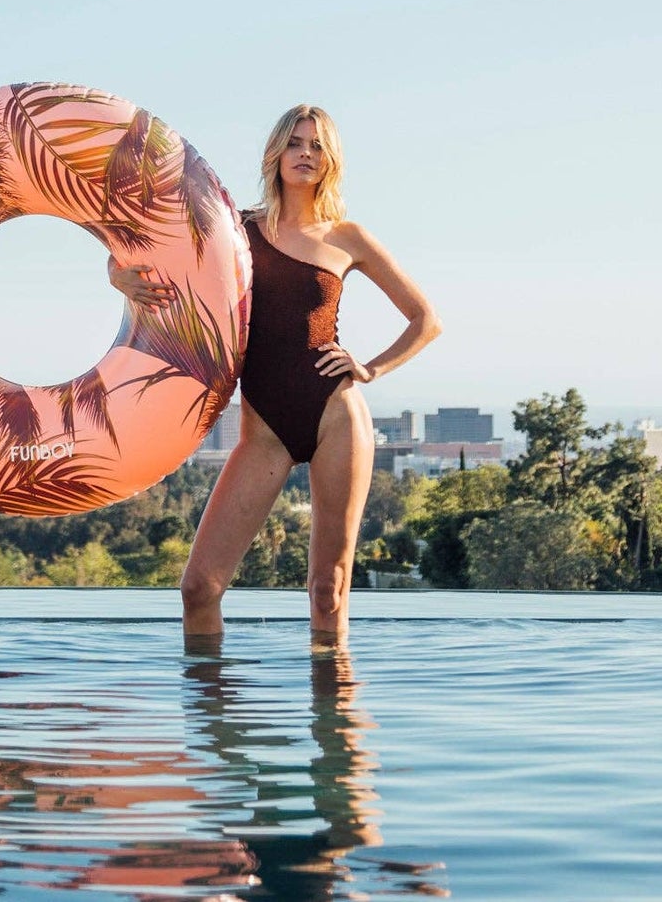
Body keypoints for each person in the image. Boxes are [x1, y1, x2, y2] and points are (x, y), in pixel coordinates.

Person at [109, 105, 441, 639]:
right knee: (199, 588)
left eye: (316, 145)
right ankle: (216, 720)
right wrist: (120, 280)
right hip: (264, 431)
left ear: (330, 159)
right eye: (294, 143)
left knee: (327, 591)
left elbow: (426, 320)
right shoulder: (235, 230)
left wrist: (371, 368)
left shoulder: (347, 237)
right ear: (276, 153)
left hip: (336, 417)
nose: (305, 153)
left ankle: (337, 720)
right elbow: (135, 249)